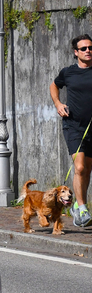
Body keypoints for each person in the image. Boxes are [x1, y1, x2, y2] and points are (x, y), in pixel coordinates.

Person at [50, 34, 92, 227]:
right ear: (76, 52)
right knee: (80, 167)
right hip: (73, 125)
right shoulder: (68, 72)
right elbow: (54, 85)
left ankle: (77, 206)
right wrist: (58, 103)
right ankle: (82, 206)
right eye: (83, 48)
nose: (88, 51)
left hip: (91, 128)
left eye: (90, 47)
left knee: (87, 170)